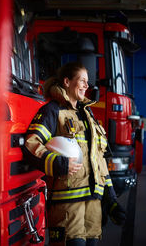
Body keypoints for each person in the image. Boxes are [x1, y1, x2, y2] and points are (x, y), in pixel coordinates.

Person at [22, 62, 125, 246]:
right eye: (82, 80)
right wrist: (58, 164)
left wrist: (111, 200)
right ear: (67, 82)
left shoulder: (88, 116)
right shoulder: (52, 111)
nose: (87, 85)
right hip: (67, 209)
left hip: (93, 207)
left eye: (87, 82)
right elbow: (31, 145)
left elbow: (99, 161)